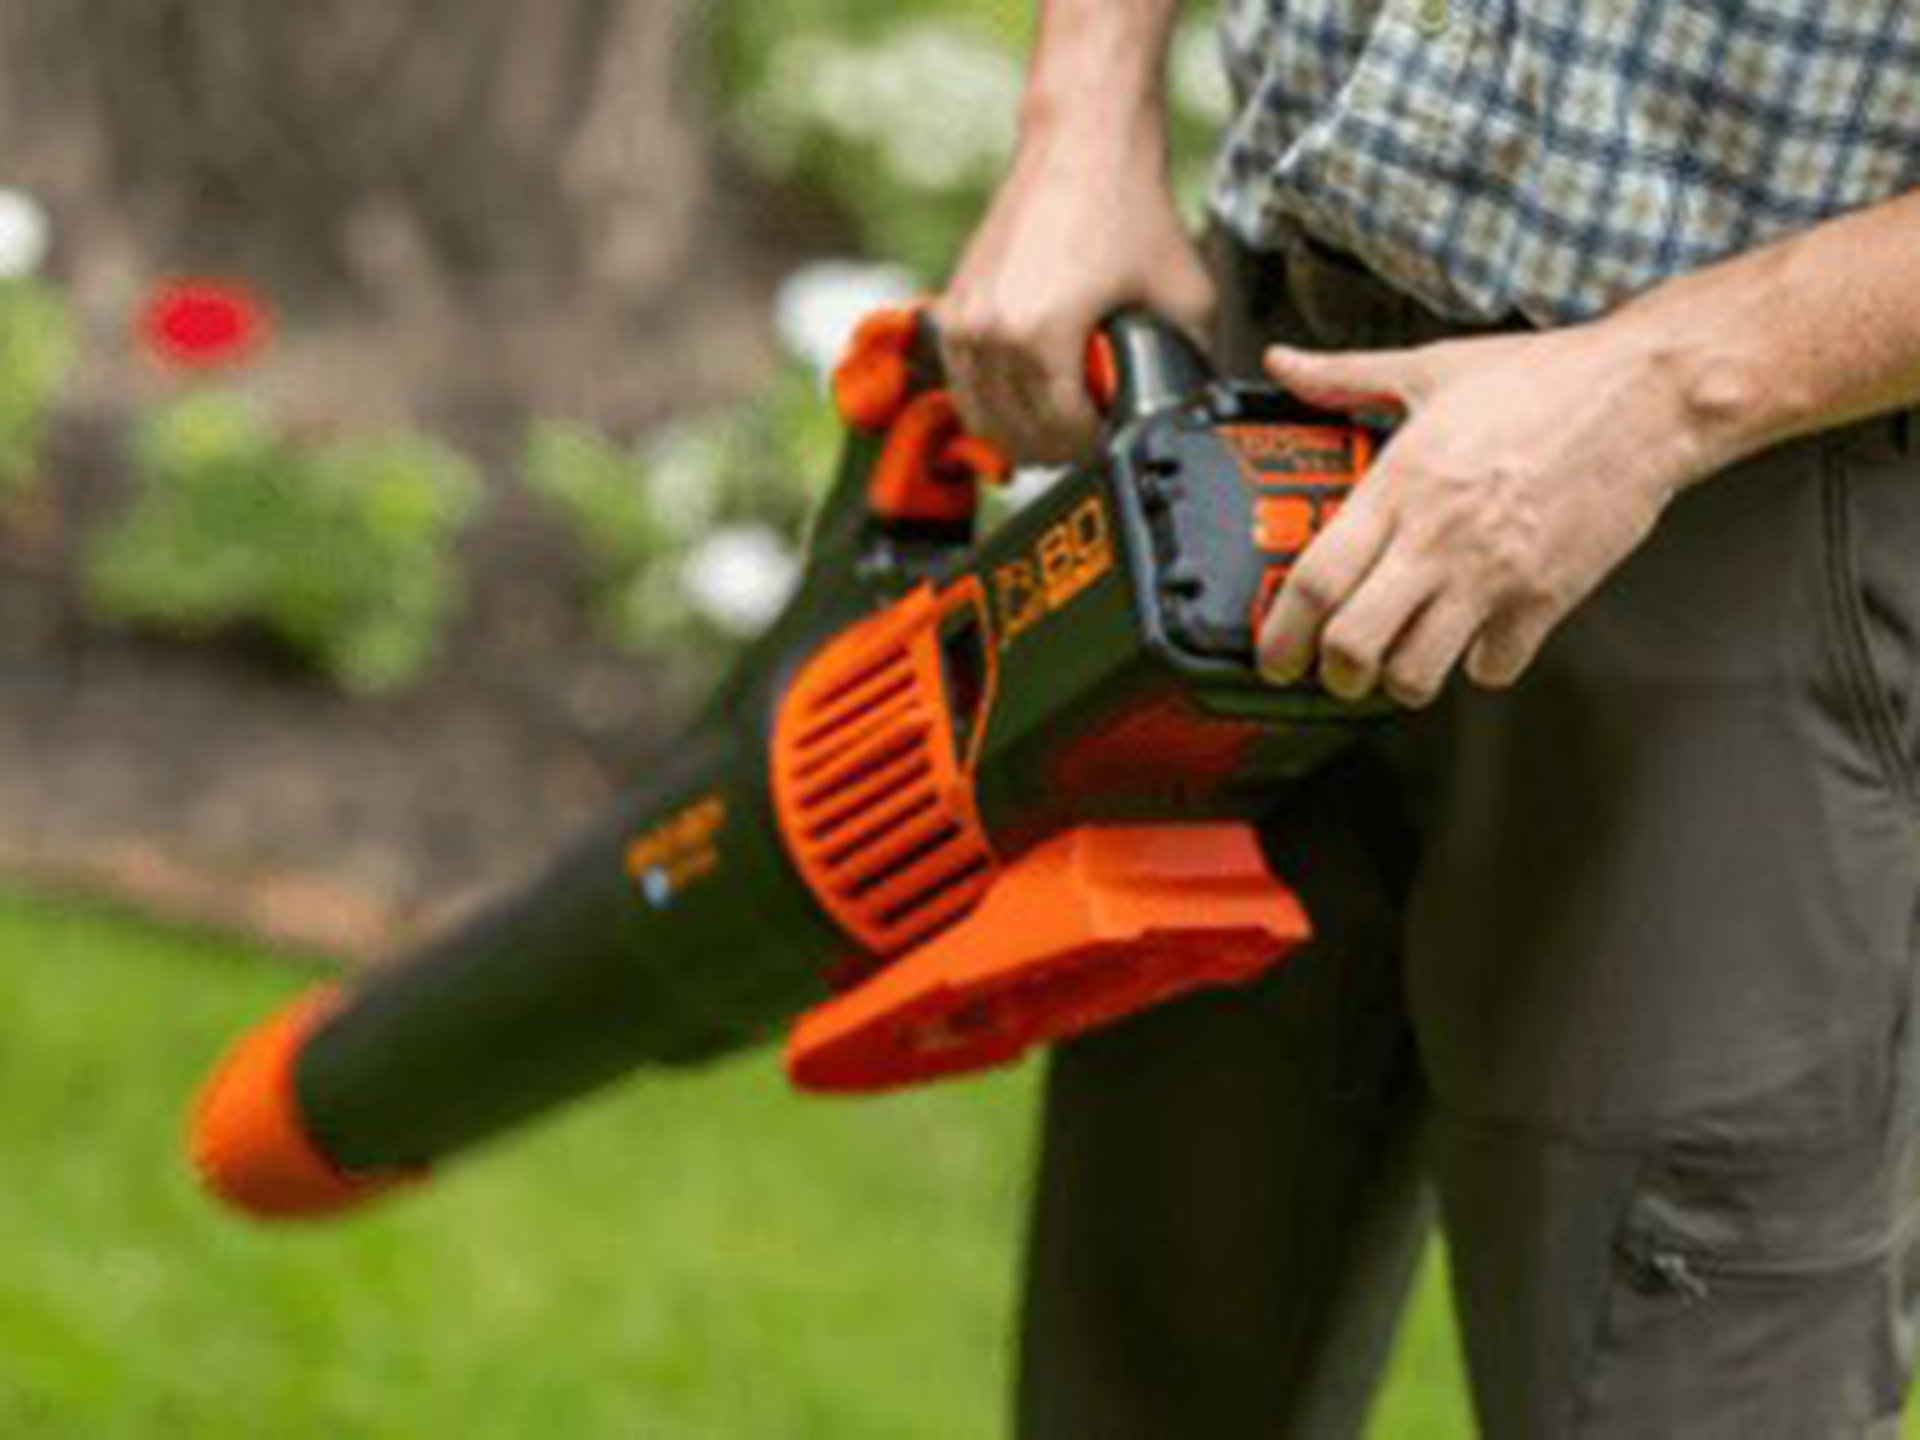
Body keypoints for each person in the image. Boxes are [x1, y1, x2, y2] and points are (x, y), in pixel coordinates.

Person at [934, 1, 1920, 1435]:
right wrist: (1085, 114)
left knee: (1671, 1383)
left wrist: (1665, 393)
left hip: (1748, 492)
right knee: (1141, 1362)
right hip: (1260, 393)